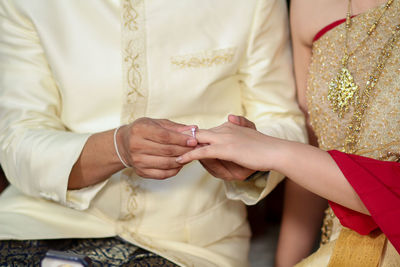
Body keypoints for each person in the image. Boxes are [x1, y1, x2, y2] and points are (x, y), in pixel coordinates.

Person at [0, 0, 306, 266]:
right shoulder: (28, 3)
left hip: (191, 243)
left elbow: (285, 122)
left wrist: (254, 157)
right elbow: (17, 141)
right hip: (39, 222)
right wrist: (116, 147)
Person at [177, 0, 400, 266]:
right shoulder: (308, 6)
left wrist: (278, 153)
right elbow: (313, 150)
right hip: (336, 246)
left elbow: (300, 157)